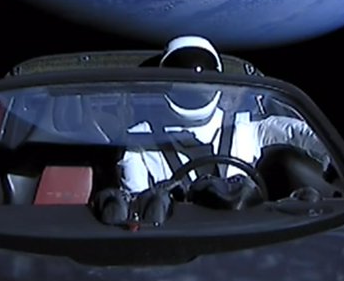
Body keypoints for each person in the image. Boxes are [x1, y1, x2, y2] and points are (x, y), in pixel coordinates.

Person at [117, 35, 330, 194]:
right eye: (186, 83)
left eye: (201, 82)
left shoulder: (243, 128)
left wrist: (331, 160)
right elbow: (136, 198)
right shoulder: (140, 139)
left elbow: (297, 132)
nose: (195, 88)